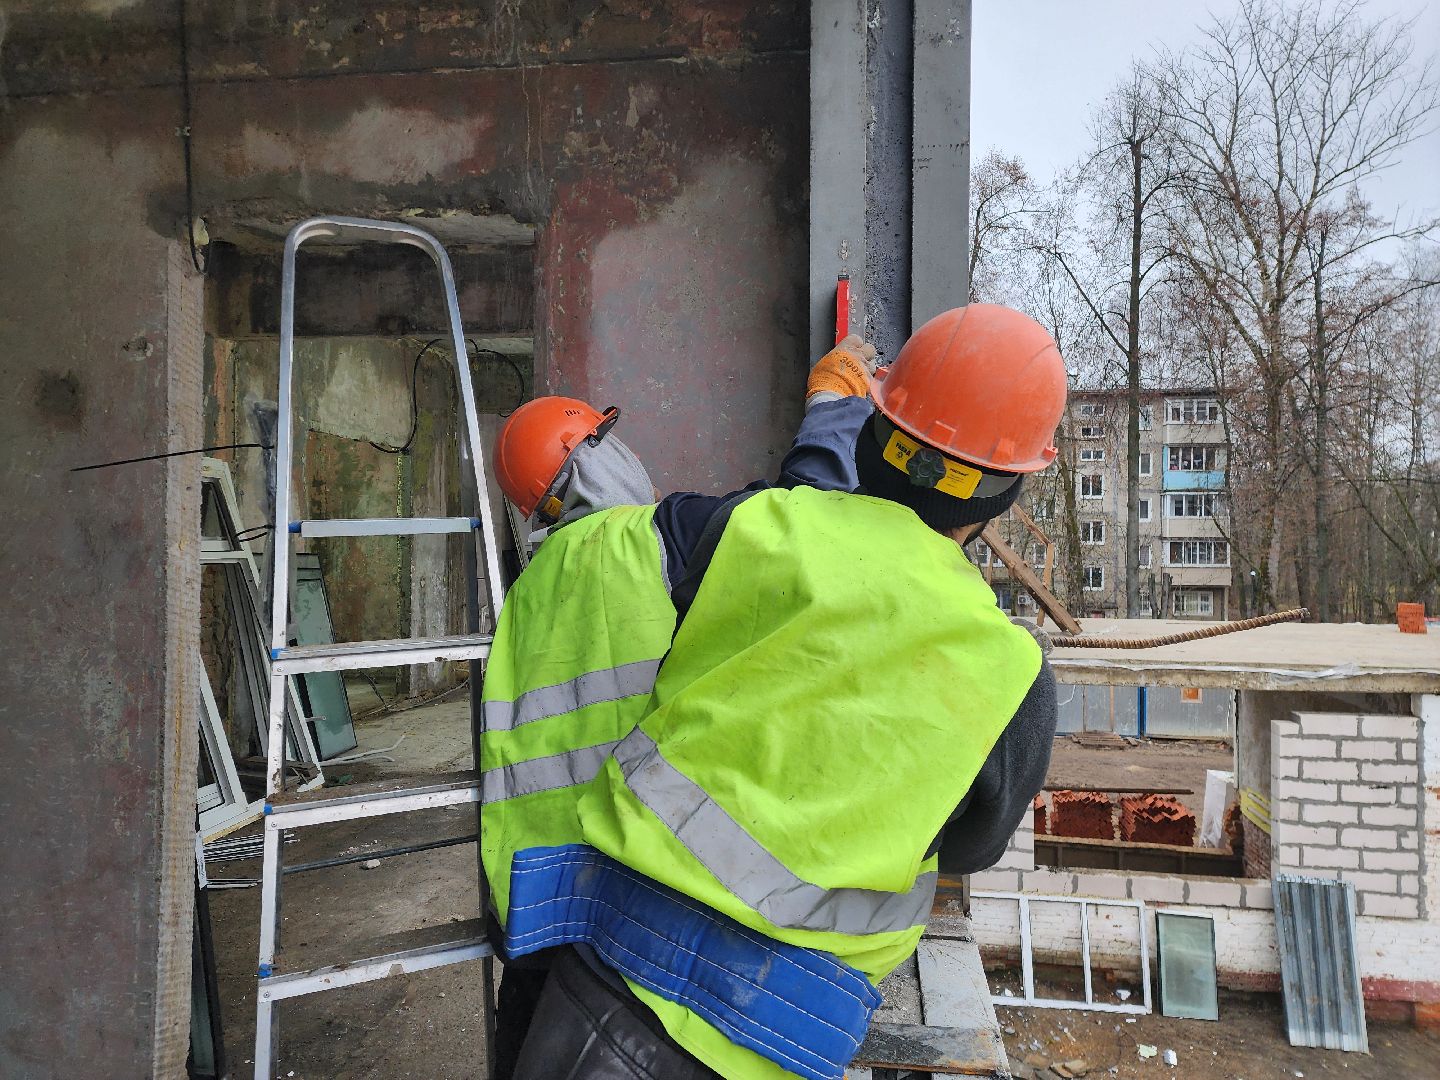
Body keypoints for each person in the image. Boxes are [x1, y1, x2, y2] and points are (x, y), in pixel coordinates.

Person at [483, 305, 1065, 1080]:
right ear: (1007, 491)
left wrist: (831, 414)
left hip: (608, 968)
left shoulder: (740, 531)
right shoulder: (1014, 677)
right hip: (777, 1032)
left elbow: (781, 537)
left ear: (876, 434)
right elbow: (969, 845)